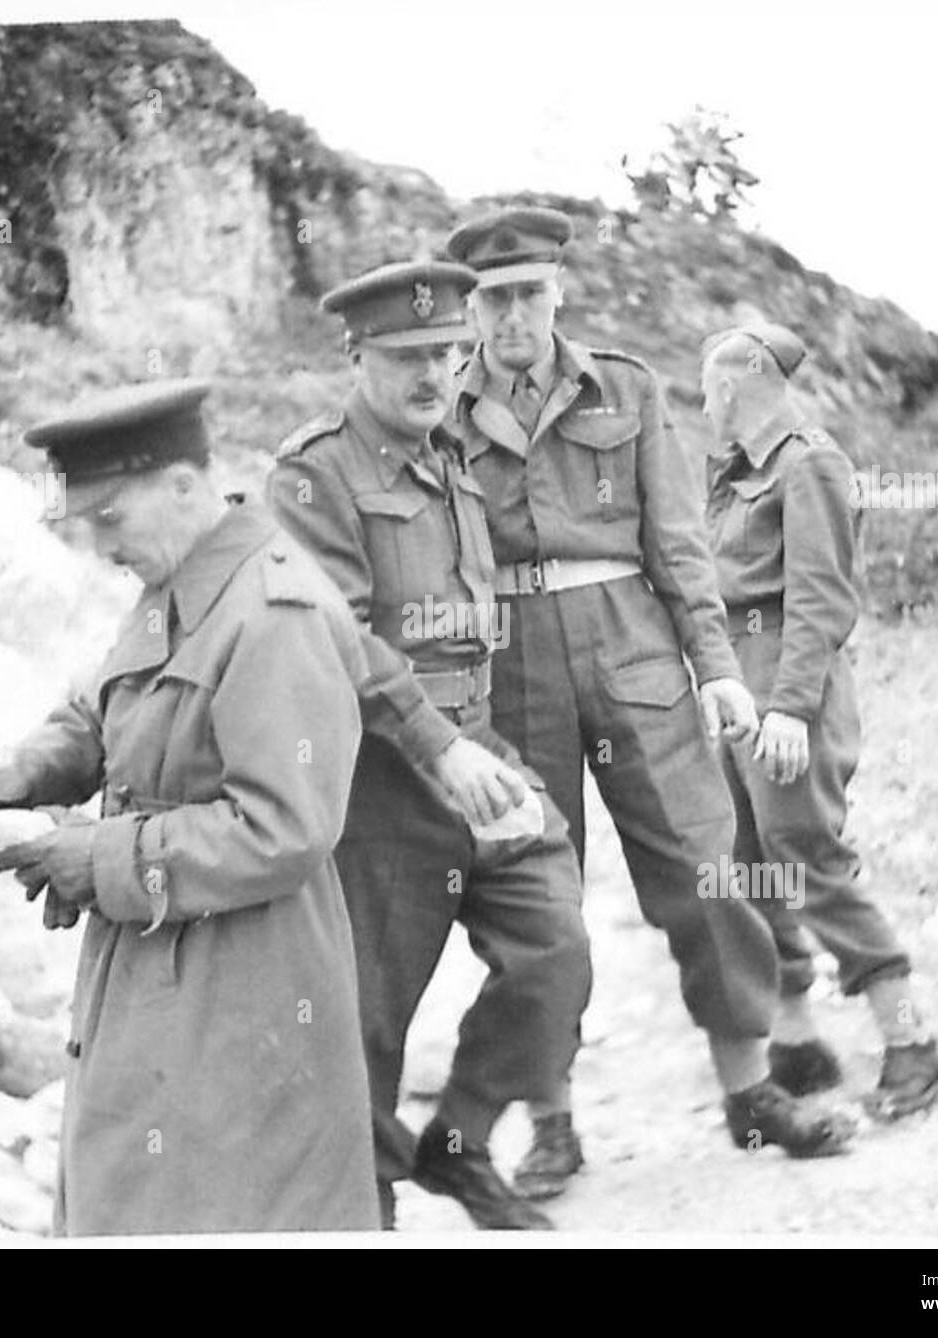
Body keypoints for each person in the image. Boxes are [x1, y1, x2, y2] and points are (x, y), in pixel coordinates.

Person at [444, 207, 854, 1200]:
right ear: (471, 308)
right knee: (534, 888)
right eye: (495, 300)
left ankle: (751, 1092)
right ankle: (552, 1121)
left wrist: (715, 665)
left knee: (709, 867)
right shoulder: (444, 409)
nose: (513, 319)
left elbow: (676, 539)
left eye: (530, 295)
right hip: (508, 662)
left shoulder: (623, 387)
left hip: (632, 644)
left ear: (557, 295)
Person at [0, 379, 380, 1234]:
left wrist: (98, 856)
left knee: (218, 1205)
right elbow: (106, 703)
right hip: (163, 953)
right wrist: (26, 770)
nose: (98, 546)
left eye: (110, 519)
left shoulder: (274, 612)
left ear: (181, 486)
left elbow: (284, 828)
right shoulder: (185, 580)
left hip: (249, 976)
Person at [267, 260, 592, 1230]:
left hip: (477, 744)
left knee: (555, 950)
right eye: (405, 357)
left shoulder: (448, 452)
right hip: (377, 772)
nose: (431, 376)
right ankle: (361, 1195)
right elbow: (334, 635)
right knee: (366, 1009)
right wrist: (435, 748)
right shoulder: (312, 471)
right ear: (355, 357)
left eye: (446, 355)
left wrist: (474, 746)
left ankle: (456, 1141)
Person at [699, 320, 938, 1117]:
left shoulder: (810, 463)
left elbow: (820, 597)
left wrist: (788, 708)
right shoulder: (738, 470)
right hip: (743, 688)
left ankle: (914, 1043)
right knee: (749, 865)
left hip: (789, 686)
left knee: (808, 857)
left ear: (730, 386)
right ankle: (797, 1043)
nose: (704, 405)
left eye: (707, 389)